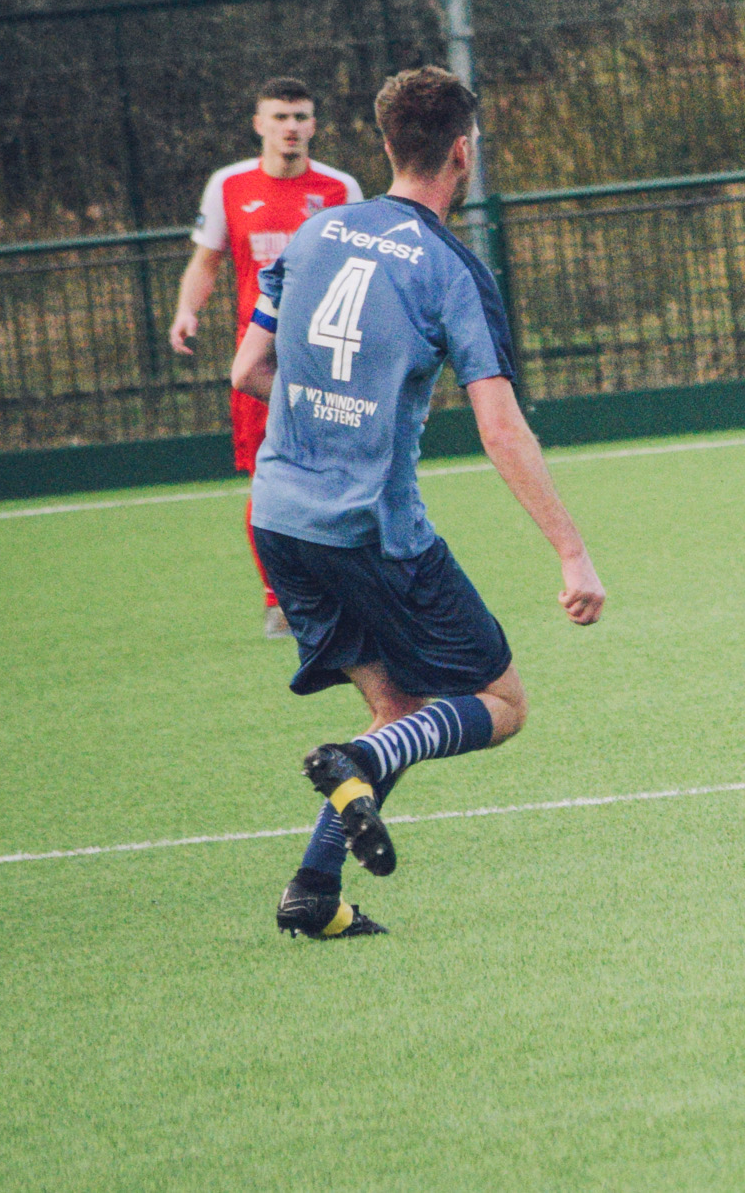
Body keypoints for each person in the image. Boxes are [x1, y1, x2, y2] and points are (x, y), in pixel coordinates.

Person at [228, 67, 606, 940]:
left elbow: (247, 370)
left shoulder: (315, 231)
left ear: (387, 145)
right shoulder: (451, 270)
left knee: (401, 708)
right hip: (373, 529)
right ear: (463, 152)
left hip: (280, 515)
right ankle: (355, 762)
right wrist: (571, 551)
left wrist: (323, 397)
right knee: (499, 701)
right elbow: (501, 428)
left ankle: (312, 893)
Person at [171, 78, 364, 637]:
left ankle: (347, 585)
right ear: (259, 124)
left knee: (338, 471)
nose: (292, 127)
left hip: (327, 357)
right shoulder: (228, 186)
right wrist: (187, 310)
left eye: (302, 116)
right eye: (280, 117)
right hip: (258, 362)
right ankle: (278, 598)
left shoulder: (339, 188)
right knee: (268, 477)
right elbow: (206, 263)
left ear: (313, 125)